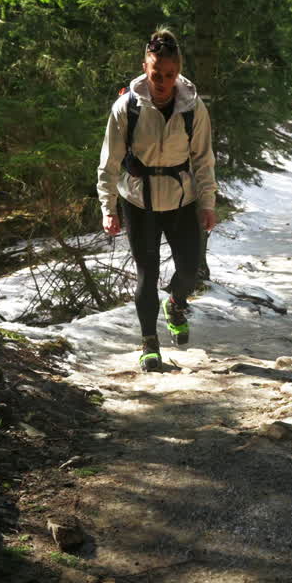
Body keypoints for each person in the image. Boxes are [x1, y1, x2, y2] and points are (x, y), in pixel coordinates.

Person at [97, 29, 218, 371]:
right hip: (139, 202)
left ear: (178, 72)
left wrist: (208, 203)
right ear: (144, 68)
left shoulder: (193, 108)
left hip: (182, 201)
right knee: (146, 275)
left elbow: (204, 160)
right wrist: (109, 208)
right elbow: (109, 162)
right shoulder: (127, 108)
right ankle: (149, 343)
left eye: (169, 75)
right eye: (155, 74)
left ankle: (176, 303)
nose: (162, 82)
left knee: (191, 269)